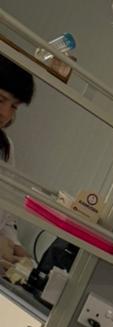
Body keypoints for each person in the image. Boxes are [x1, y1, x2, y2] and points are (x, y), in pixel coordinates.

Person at [0, 53, 35, 272]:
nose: (5, 113)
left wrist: (15, 245)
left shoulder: (6, 148)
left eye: (14, 106)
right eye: (0, 100)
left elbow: (6, 213)